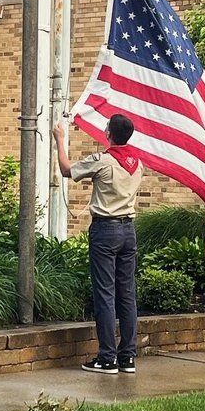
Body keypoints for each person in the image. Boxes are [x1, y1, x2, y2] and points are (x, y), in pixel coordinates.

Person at [52, 114, 144, 375]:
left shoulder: (103, 160)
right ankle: (127, 356)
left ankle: (107, 357)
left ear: (109, 133)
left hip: (106, 229)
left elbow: (67, 170)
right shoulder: (137, 163)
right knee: (127, 294)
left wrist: (60, 139)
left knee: (105, 293)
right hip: (129, 230)